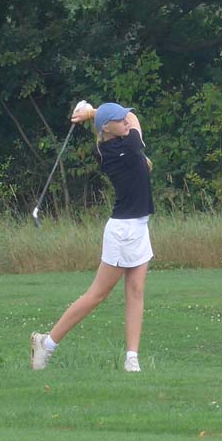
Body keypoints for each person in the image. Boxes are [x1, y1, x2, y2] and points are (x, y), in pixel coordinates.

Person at [30, 102, 154, 372]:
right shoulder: (130, 144)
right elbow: (134, 116)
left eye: (123, 119)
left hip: (138, 226)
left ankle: (132, 359)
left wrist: (92, 114)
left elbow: (127, 120)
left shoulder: (105, 148)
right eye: (118, 120)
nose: (125, 121)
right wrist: (92, 112)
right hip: (123, 230)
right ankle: (46, 343)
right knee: (97, 294)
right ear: (107, 128)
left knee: (136, 291)